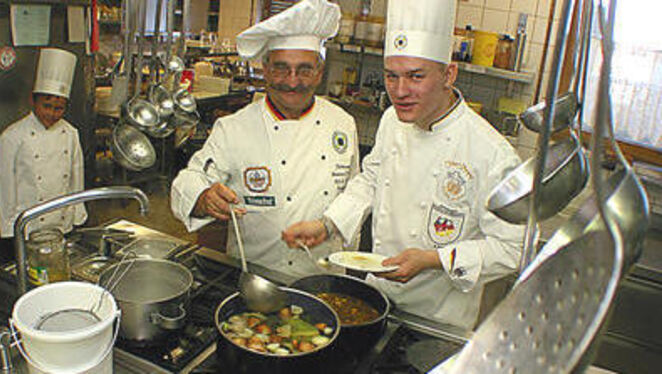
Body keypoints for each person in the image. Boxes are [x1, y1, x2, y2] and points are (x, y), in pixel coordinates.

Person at [282, 0, 525, 330]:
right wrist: (328, 225)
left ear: (448, 74)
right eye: (391, 76)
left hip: (437, 319)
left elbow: (511, 249)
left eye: (415, 76)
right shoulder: (391, 122)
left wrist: (433, 259)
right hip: (377, 299)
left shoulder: (492, 153)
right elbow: (371, 179)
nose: (400, 91)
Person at [171, 0, 359, 278]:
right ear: (266, 70)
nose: (292, 81)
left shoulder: (342, 123)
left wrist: (331, 225)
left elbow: (357, 194)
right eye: (281, 68)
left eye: (304, 70)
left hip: (324, 280)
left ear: (319, 72)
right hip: (255, 278)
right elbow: (189, 179)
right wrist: (203, 197)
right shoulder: (234, 128)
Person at [0, 48, 86, 241]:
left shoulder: (70, 133)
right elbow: (4, 188)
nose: (52, 114)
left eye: (59, 108)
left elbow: (76, 179)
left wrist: (77, 214)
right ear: (33, 101)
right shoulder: (12, 137)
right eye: (46, 106)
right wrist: (10, 228)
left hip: (63, 224)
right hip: (28, 226)